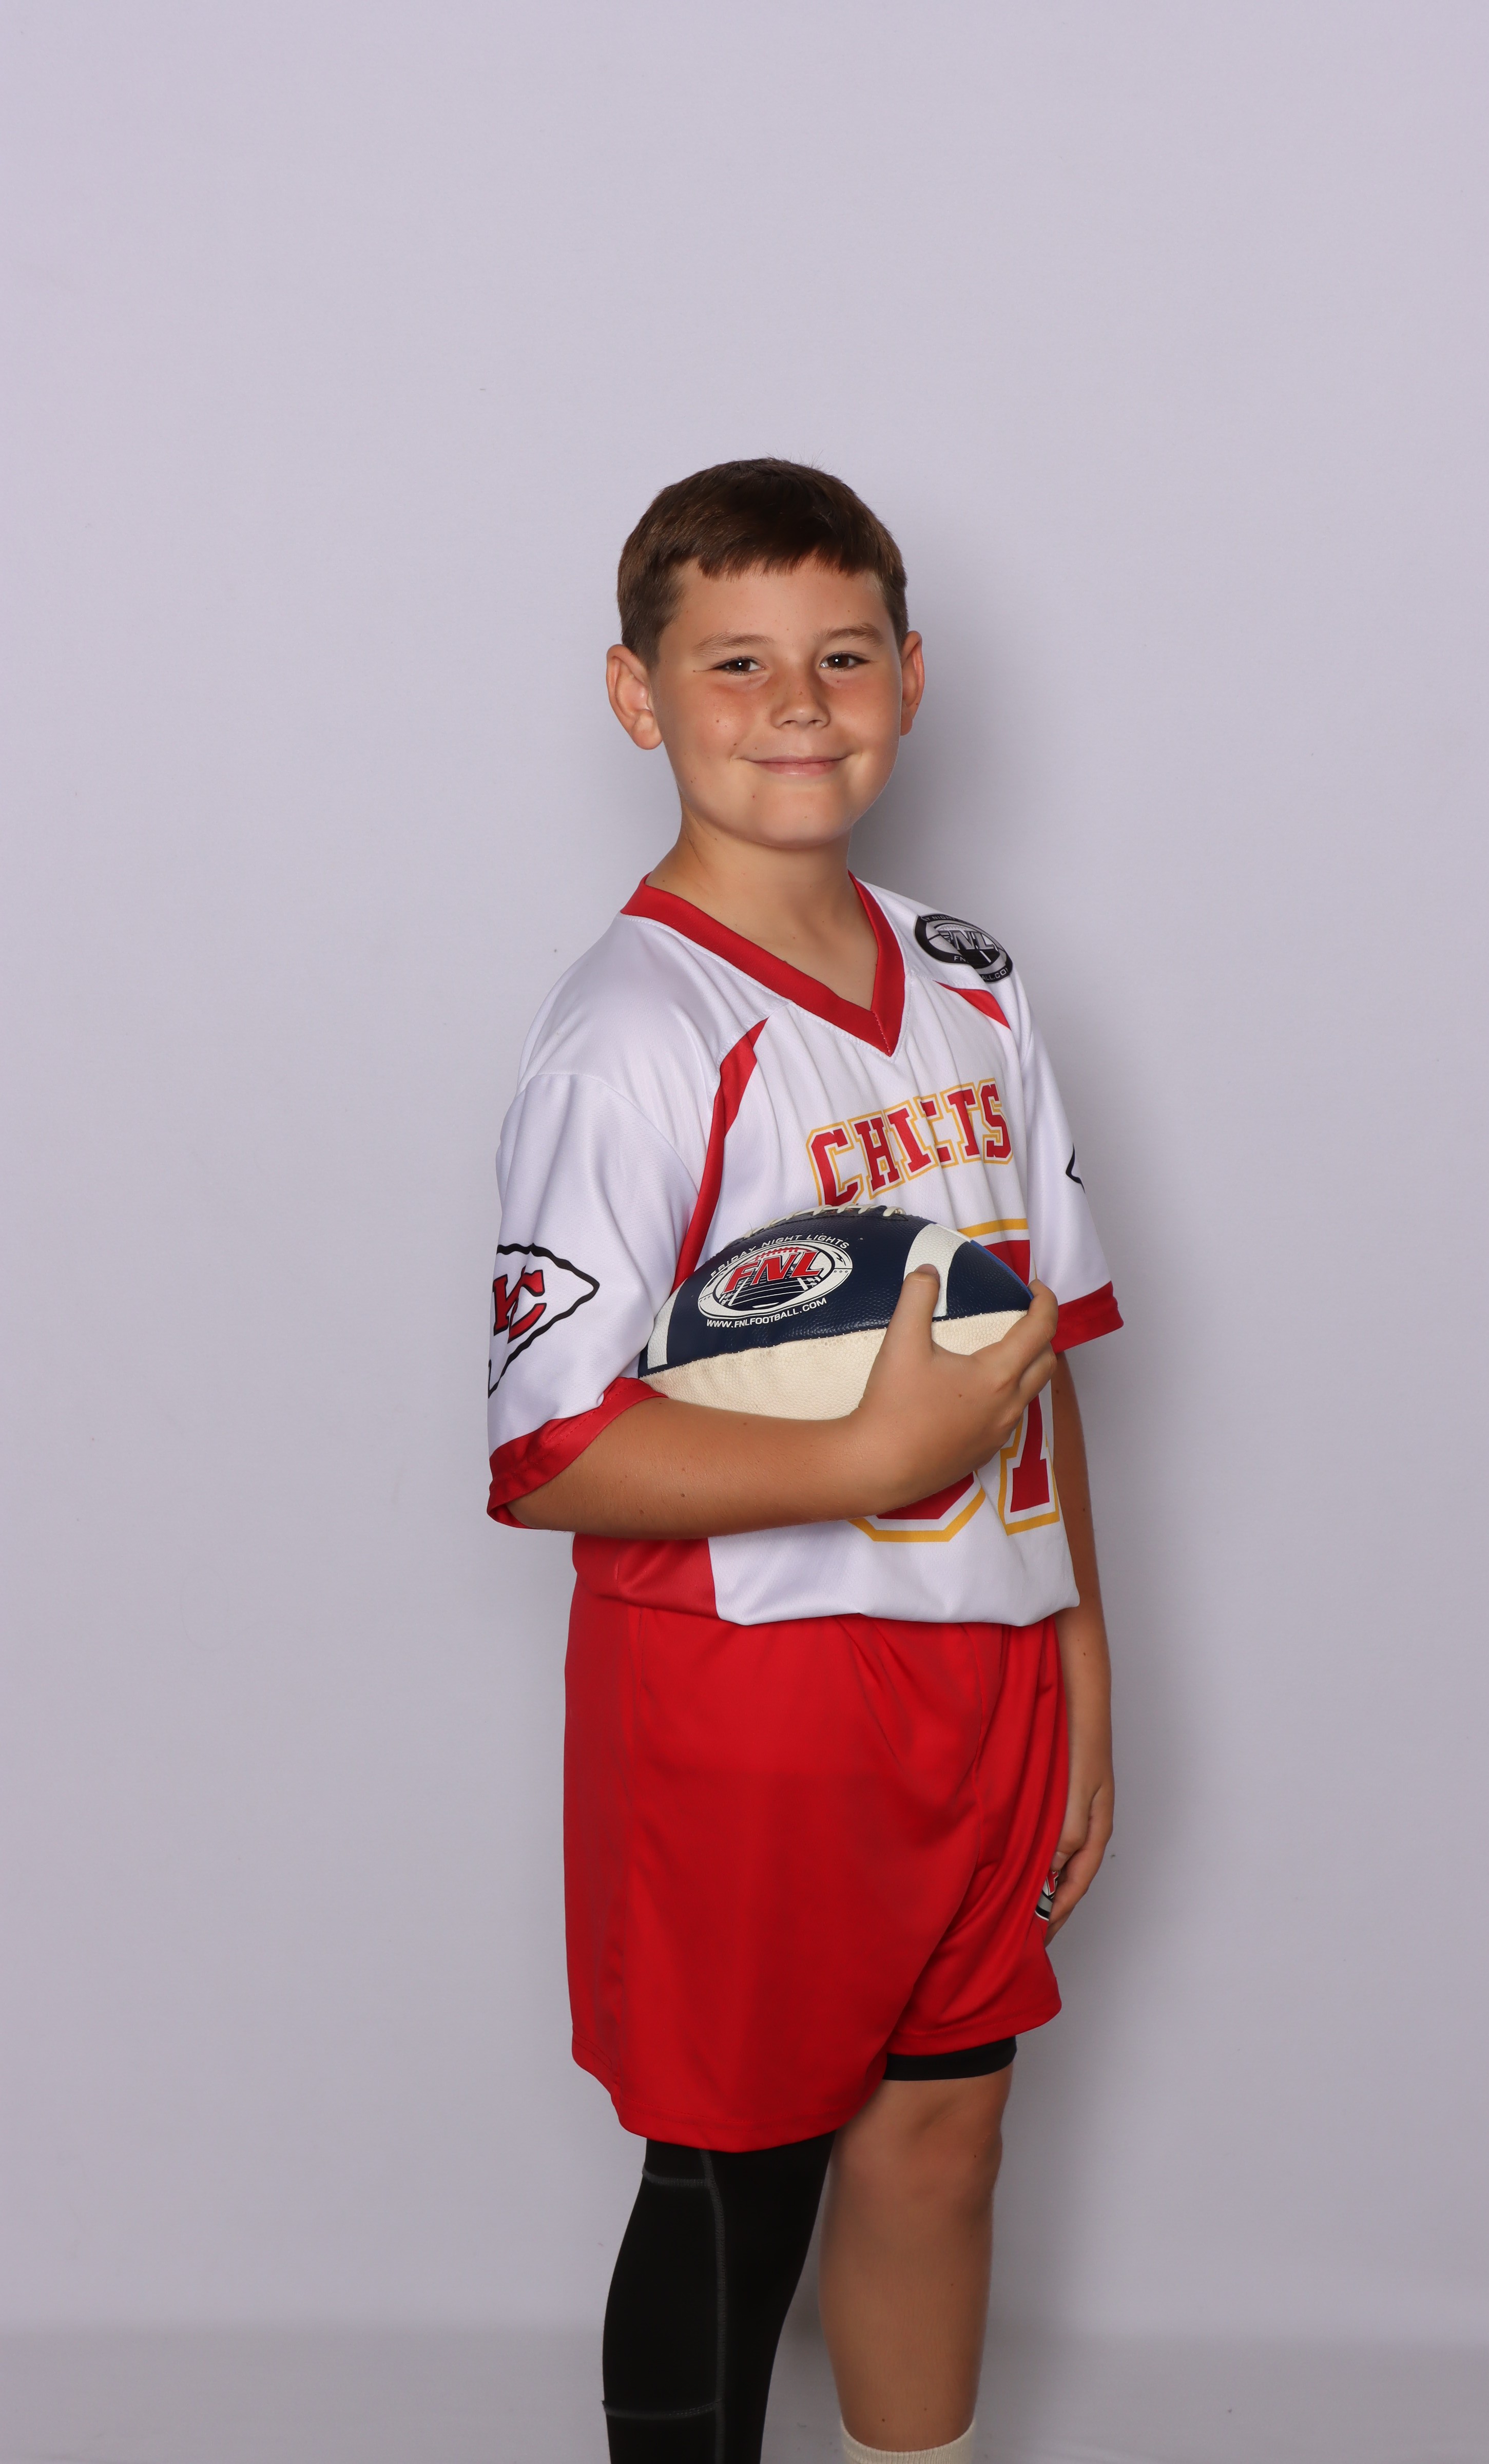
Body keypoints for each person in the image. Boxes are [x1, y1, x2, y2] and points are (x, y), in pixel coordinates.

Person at [486, 460, 1121, 2464]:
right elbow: (550, 1449)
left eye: (841, 658)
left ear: (911, 679)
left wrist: (1080, 1652)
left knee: (942, 2141)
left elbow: (1039, 1351)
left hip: (984, 1670)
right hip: (750, 1693)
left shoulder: (974, 980)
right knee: (738, 2170)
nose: (795, 706)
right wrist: (868, 1447)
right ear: (636, 695)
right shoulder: (632, 1033)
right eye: (735, 663)